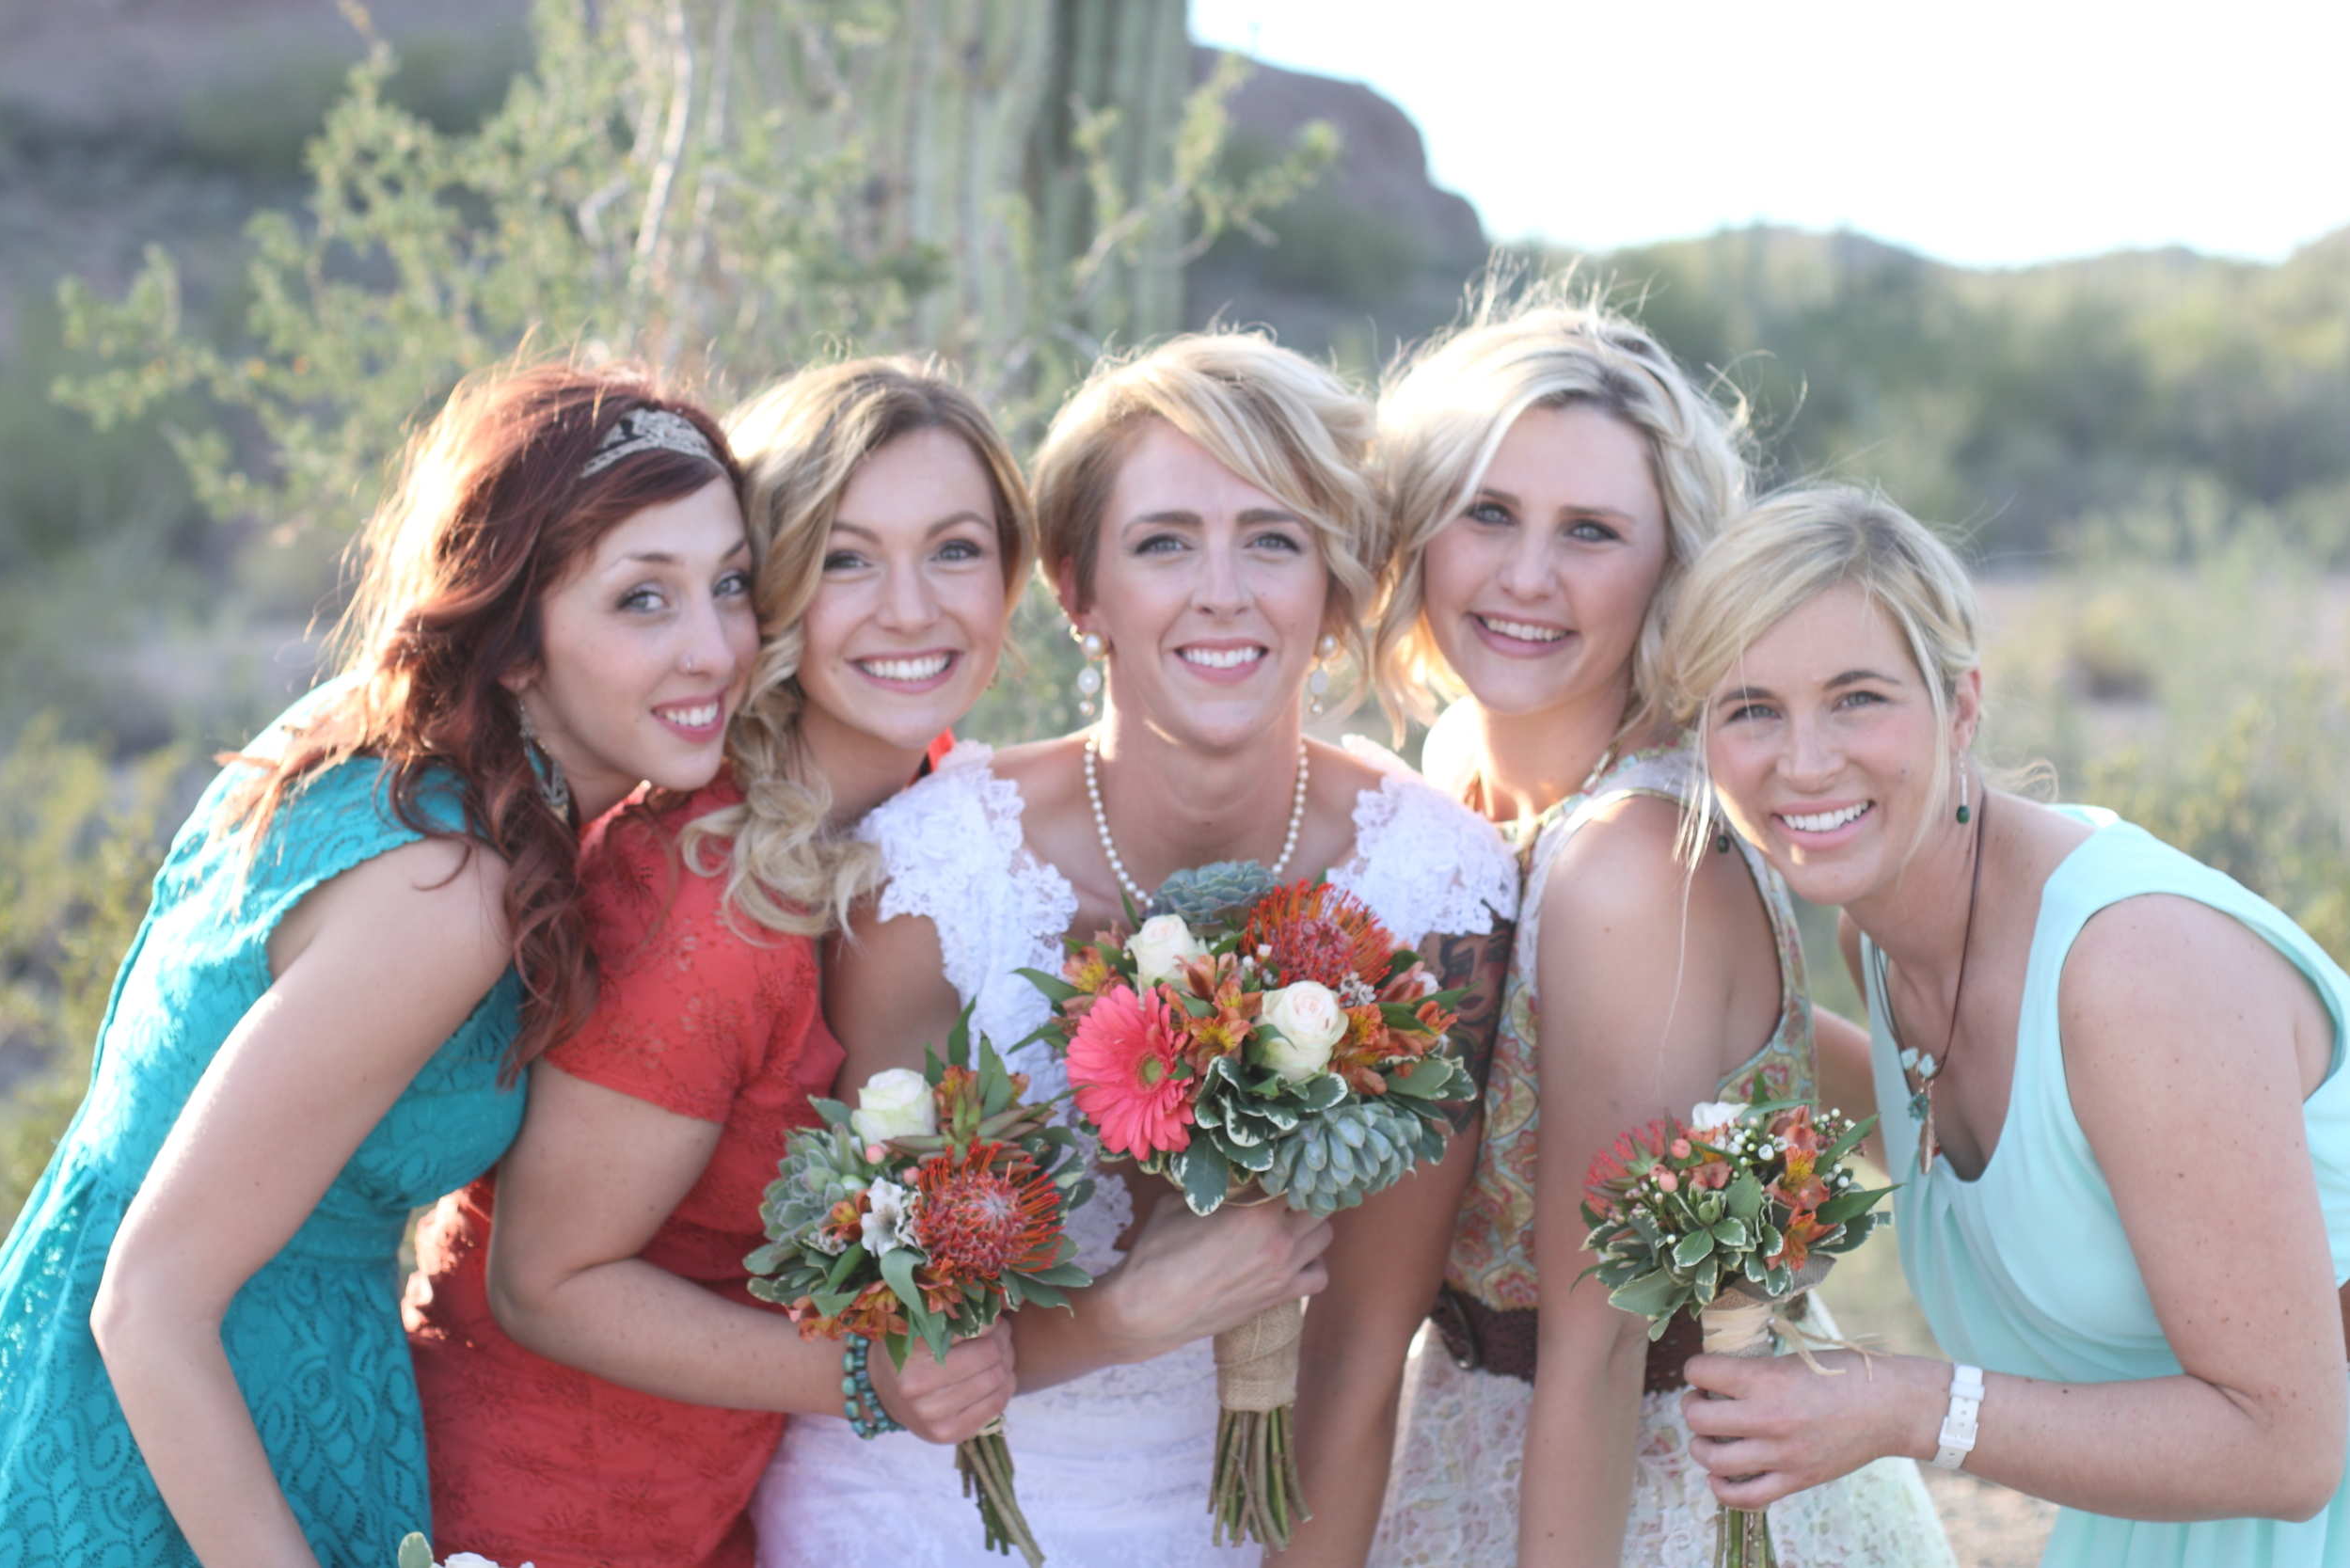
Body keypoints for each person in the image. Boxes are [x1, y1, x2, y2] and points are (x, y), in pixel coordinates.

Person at [752, 330, 1519, 1568]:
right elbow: (897, 1318)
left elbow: (1362, 1350)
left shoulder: (1440, 888)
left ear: (1336, 587)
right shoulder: (928, 872)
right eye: (1164, 541)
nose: (1223, 589)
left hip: (1234, 1515)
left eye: (1273, 537)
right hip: (910, 1505)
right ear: (1076, 590)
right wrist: (1126, 1312)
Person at [0, 362, 756, 1568]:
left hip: (211, 1374)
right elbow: (147, 1297)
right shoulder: (444, 892)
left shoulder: (373, 731)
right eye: (641, 600)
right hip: (176, 1438)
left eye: (730, 583)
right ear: (514, 644)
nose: (715, 646)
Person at [404, 358, 1028, 1568]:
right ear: (773, 587)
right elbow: (548, 1278)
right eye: (847, 558)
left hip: (720, 1508)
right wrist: (870, 1369)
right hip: (539, 1514)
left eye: (955, 550)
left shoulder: (940, 807)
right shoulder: (708, 894)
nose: (913, 609)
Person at [1366, 295, 1954, 1568]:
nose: (1528, 575)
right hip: (1467, 1426)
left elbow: (1600, 1344)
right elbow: (1738, 1050)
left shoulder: (1634, 862)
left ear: (1671, 566)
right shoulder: (1461, 758)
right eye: (1488, 511)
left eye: (1591, 531)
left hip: (1647, 1491)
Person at [1663, 485, 2350, 1566]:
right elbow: (2022, 1170)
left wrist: (1904, 1404)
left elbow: (2290, 1445)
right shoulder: (1878, 946)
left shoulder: (2136, 972)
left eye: (1857, 698)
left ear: (1962, 706)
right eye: (1750, 707)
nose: (1801, 760)